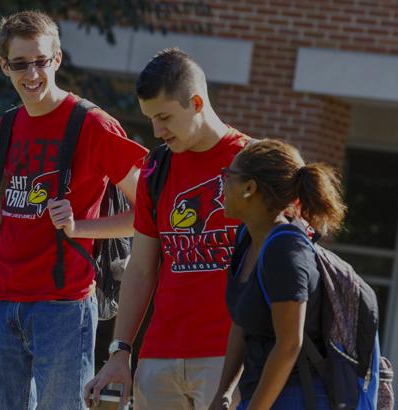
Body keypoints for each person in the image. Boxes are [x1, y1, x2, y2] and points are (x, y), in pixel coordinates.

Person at [0, 11, 147, 410]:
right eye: (20, 64)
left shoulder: (94, 125)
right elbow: (22, 202)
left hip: (63, 304)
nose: (31, 73)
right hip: (4, 299)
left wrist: (80, 227)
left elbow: (147, 214)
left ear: (57, 59)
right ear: (4, 66)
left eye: (41, 61)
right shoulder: (9, 125)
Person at [85, 48, 251, 409]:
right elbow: (141, 270)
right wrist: (120, 351)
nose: (157, 131)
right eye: (150, 119)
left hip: (229, 361)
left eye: (164, 117)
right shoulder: (155, 169)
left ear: (195, 102)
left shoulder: (253, 165)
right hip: (158, 358)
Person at [209, 138, 342, 409]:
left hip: (296, 398)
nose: (222, 185)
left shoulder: (286, 249)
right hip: (260, 395)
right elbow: (242, 320)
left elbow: (288, 346)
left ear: (249, 188)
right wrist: (223, 392)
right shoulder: (246, 237)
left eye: (227, 176)